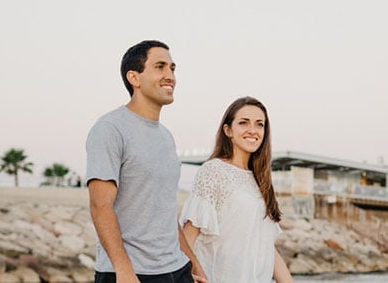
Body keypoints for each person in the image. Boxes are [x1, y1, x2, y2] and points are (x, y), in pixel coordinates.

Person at [86, 40, 203, 283]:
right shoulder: (110, 128)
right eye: (160, 67)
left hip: (177, 269)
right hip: (131, 273)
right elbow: (100, 205)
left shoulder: (166, 137)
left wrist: (194, 266)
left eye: (172, 68)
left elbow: (166, 213)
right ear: (134, 78)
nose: (170, 76)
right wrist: (124, 271)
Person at [180, 97, 292, 283]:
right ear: (228, 130)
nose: (253, 130)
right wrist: (185, 278)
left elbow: (266, 246)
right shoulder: (213, 170)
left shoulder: (261, 179)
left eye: (259, 124)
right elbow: (189, 236)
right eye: (244, 123)